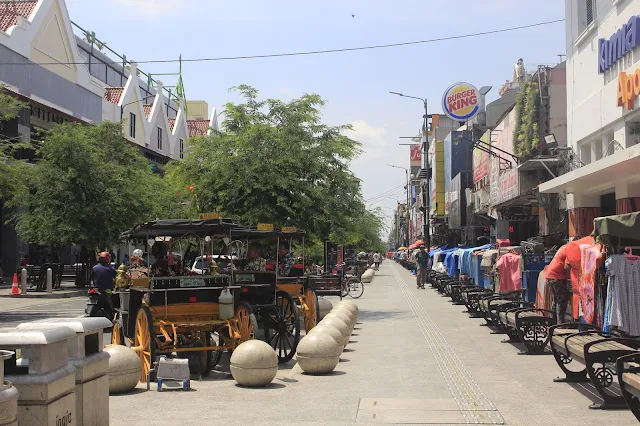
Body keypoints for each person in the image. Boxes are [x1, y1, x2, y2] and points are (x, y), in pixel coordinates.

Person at [545, 244, 571, 324]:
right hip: (558, 276)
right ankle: (560, 323)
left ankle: (552, 322)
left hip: (551, 274)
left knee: (556, 300)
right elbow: (567, 267)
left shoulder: (563, 247)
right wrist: (568, 279)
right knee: (561, 300)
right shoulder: (570, 249)